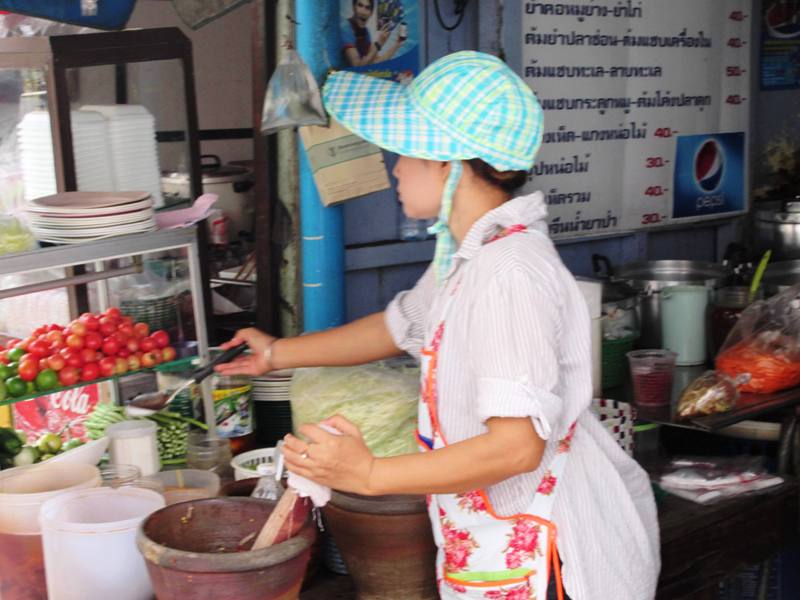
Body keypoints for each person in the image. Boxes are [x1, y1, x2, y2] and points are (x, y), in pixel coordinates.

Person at [217, 51, 660, 599]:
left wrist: (369, 474)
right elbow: (398, 326)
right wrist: (278, 354)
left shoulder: (508, 273)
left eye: (406, 153)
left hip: (548, 565)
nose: (395, 167)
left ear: (447, 162)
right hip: (492, 544)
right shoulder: (468, 256)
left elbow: (515, 449)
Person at [342, 0, 403, 66]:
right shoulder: (346, 29)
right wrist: (379, 44)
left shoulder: (365, 32)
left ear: (371, 13)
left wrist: (397, 45)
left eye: (367, 8)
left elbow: (377, 61)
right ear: (354, 7)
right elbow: (357, 66)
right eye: (360, 5)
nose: (363, 12)